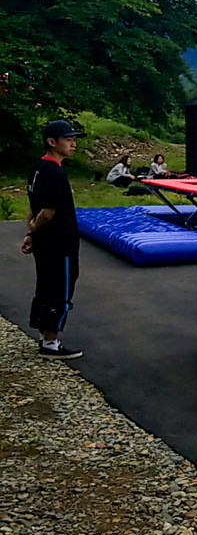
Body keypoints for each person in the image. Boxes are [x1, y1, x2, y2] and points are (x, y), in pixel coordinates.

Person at [22, 120, 86, 360]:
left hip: (45, 242)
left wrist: (31, 233)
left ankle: (44, 335)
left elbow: (33, 205)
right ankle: (51, 343)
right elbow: (47, 211)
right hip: (61, 243)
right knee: (61, 289)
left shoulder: (37, 167)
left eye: (74, 139)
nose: (73, 143)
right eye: (68, 139)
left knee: (46, 286)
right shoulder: (55, 172)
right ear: (52, 142)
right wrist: (36, 227)